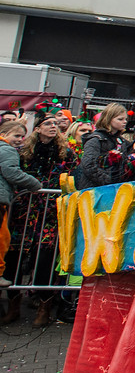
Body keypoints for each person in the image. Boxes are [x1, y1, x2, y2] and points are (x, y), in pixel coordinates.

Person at [5, 114, 75, 323]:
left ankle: (43, 308)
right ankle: (13, 306)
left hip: (50, 214)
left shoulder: (66, 152)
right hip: (24, 211)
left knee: (45, 258)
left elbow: (68, 177)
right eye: (48, 123)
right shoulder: (23, 152)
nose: (53, 126)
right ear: (37, 128)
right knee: (14, 258)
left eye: (55, 123)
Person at [0, 120, 41, 309]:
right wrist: (35, 184)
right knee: (2, 238)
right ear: (4, 133)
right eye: (16, 135)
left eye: (22, 136)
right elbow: (12, 172)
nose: (20, 140)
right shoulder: (7, 150)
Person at [77, 104, 135, 190]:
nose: (125, 122)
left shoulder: (122, 141)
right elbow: (88, 165)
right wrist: (107, 181)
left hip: (114, 188)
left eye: (126, 119)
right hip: (93, 189)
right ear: (108, 119)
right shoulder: (96, 139)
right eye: (120, 119)